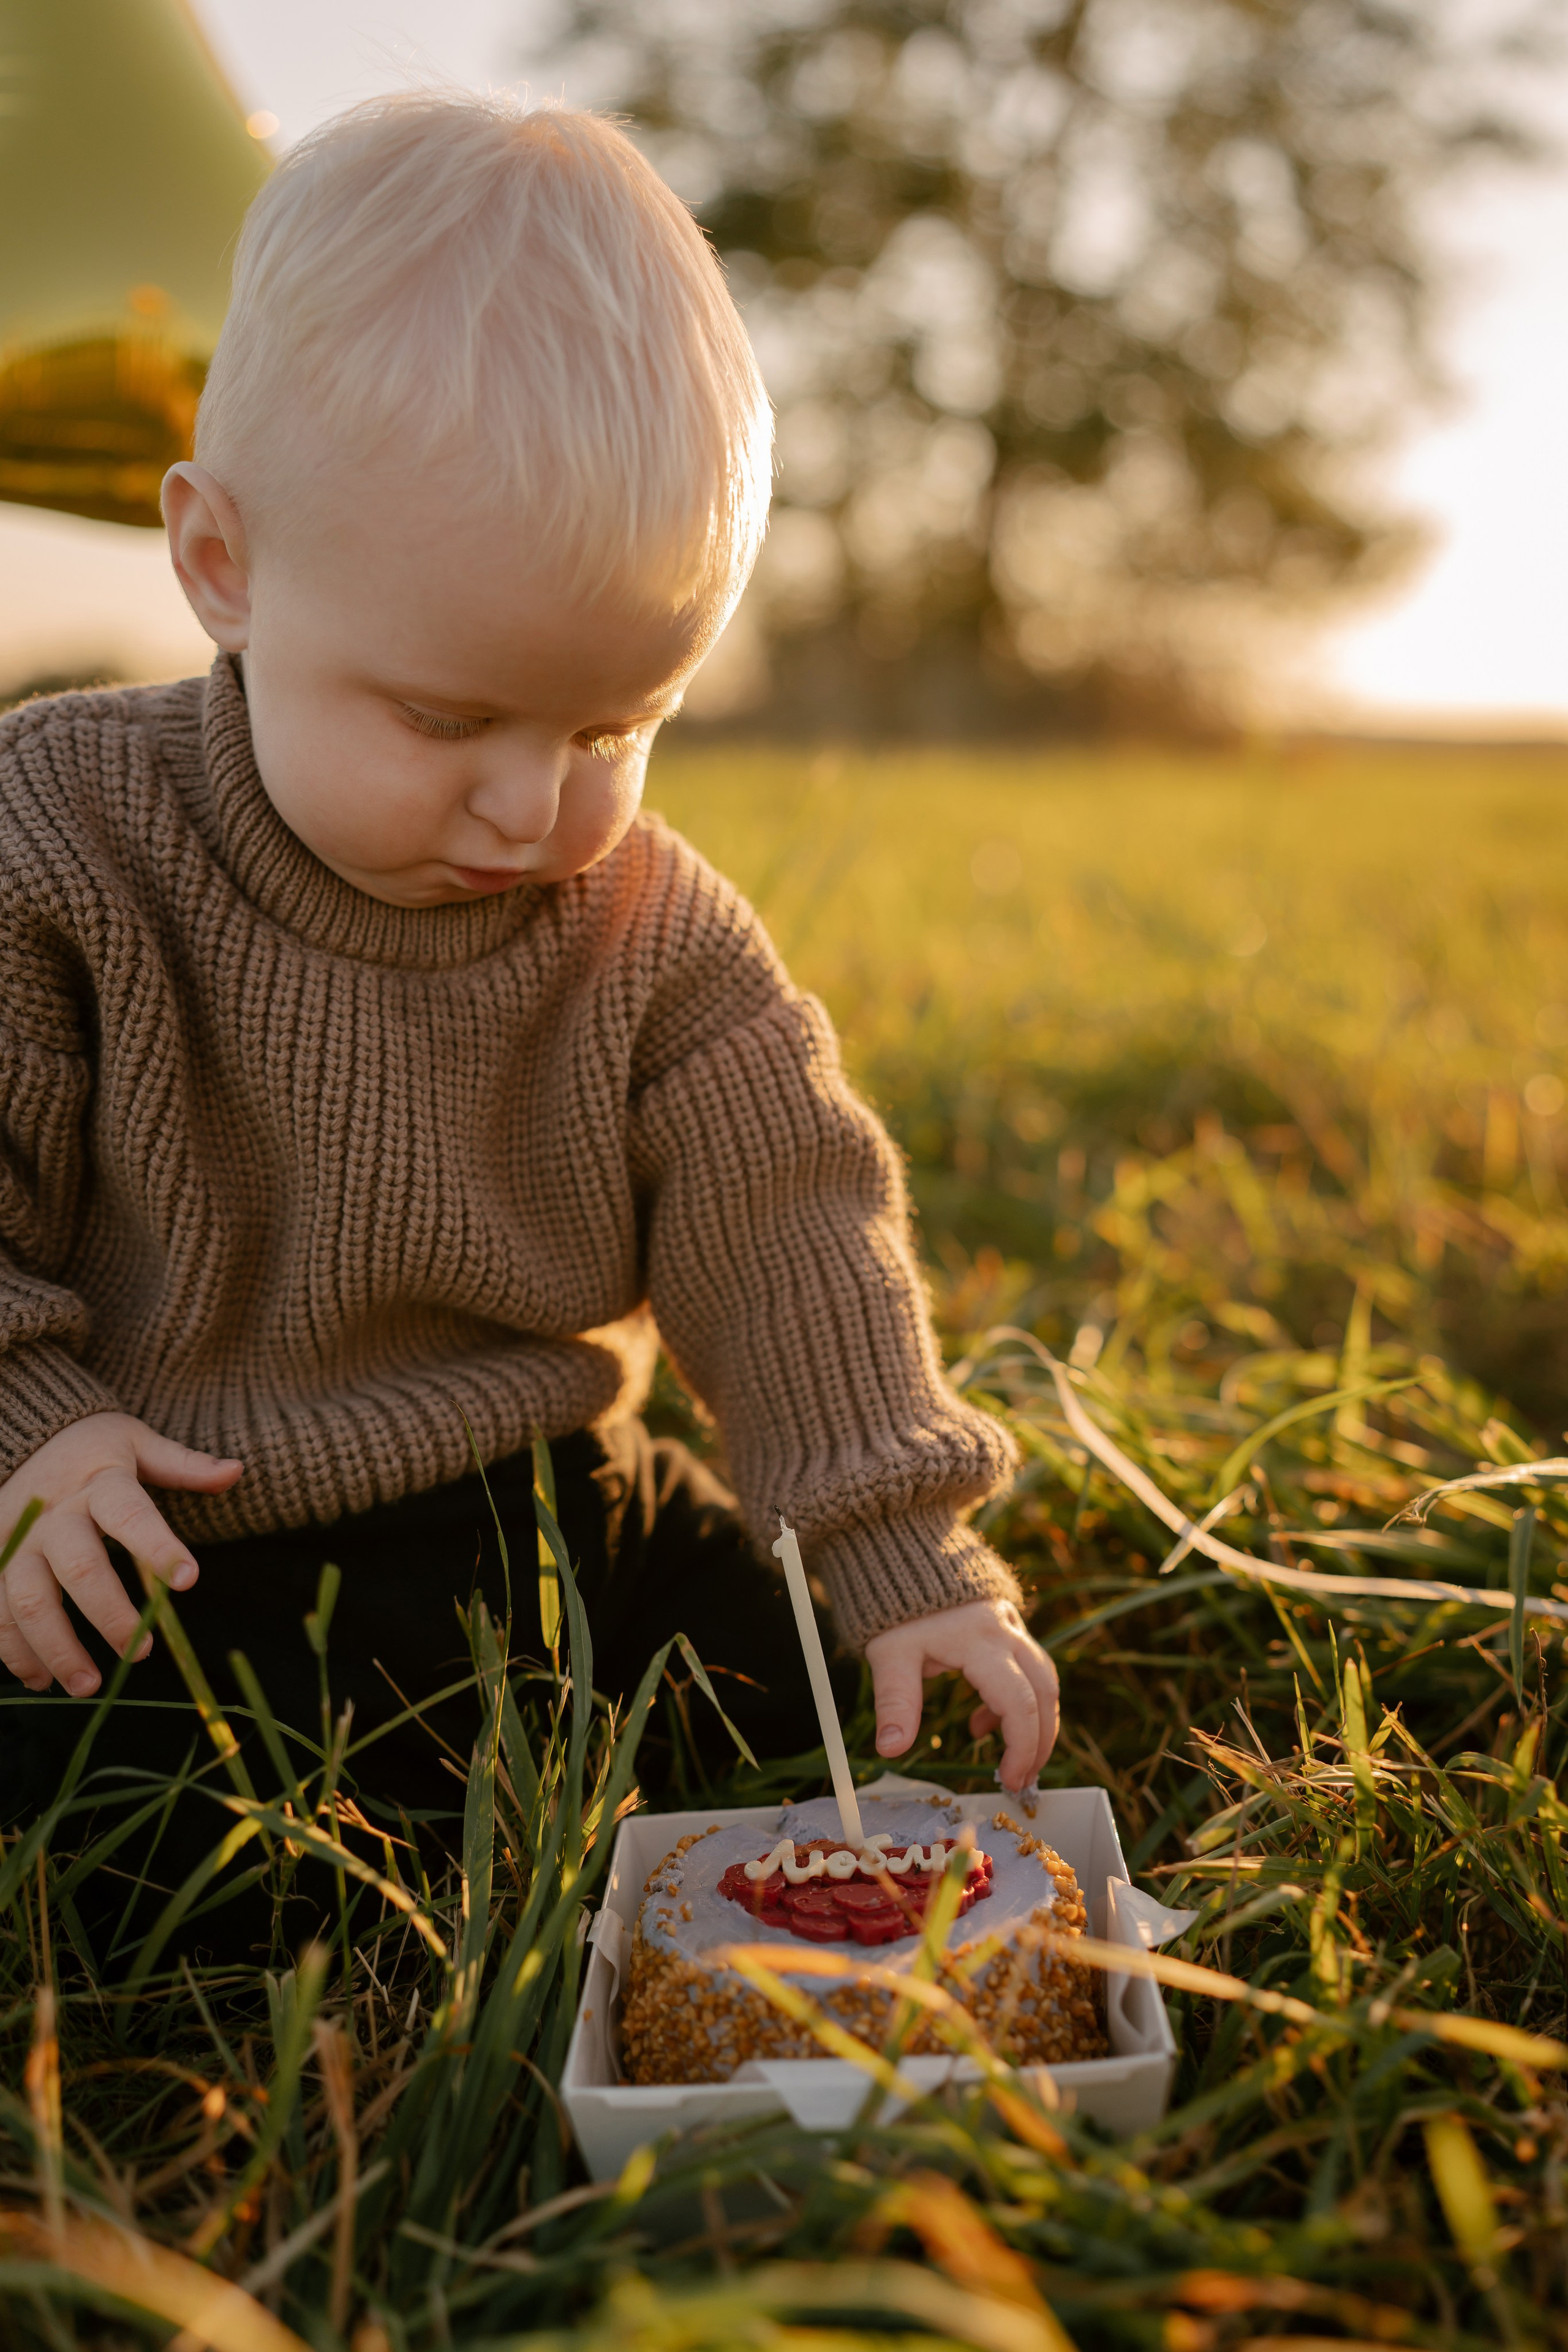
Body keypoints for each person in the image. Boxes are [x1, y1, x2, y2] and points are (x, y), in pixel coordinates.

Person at [0, 96, 1058, 1942]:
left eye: (612, 729)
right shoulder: (64, 840)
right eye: (445, 720)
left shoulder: (646, 933)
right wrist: (31, 1424)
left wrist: (901, 1556)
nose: (533, 808)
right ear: (222, 564)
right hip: (149, 1527)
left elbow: (788, 1228)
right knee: (140, 1817)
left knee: (820, 1693)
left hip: (529, 1506)